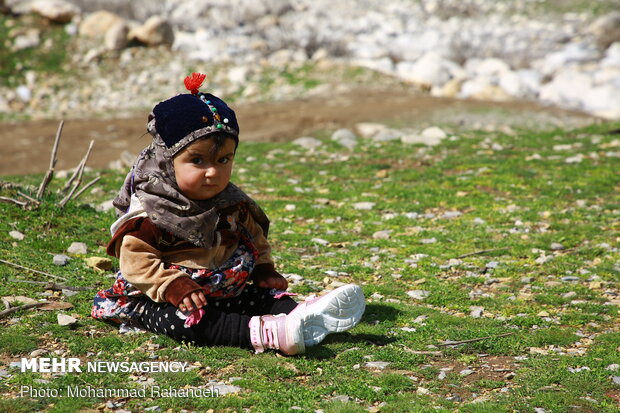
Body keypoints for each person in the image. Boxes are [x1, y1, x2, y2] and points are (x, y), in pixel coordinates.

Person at [91, 73, 365, 355]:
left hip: (221, 288)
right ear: (167, 160)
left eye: (223, 160)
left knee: (262, 296)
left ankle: (301, 315)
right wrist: (172, 286)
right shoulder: (152, 211)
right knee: (190, 322)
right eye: (197, 161)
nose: (212, 172)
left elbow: (253, 236)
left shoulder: (231, 202)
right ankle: (265, 333)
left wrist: (263, 269)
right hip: (162, 299)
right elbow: (135, 261)